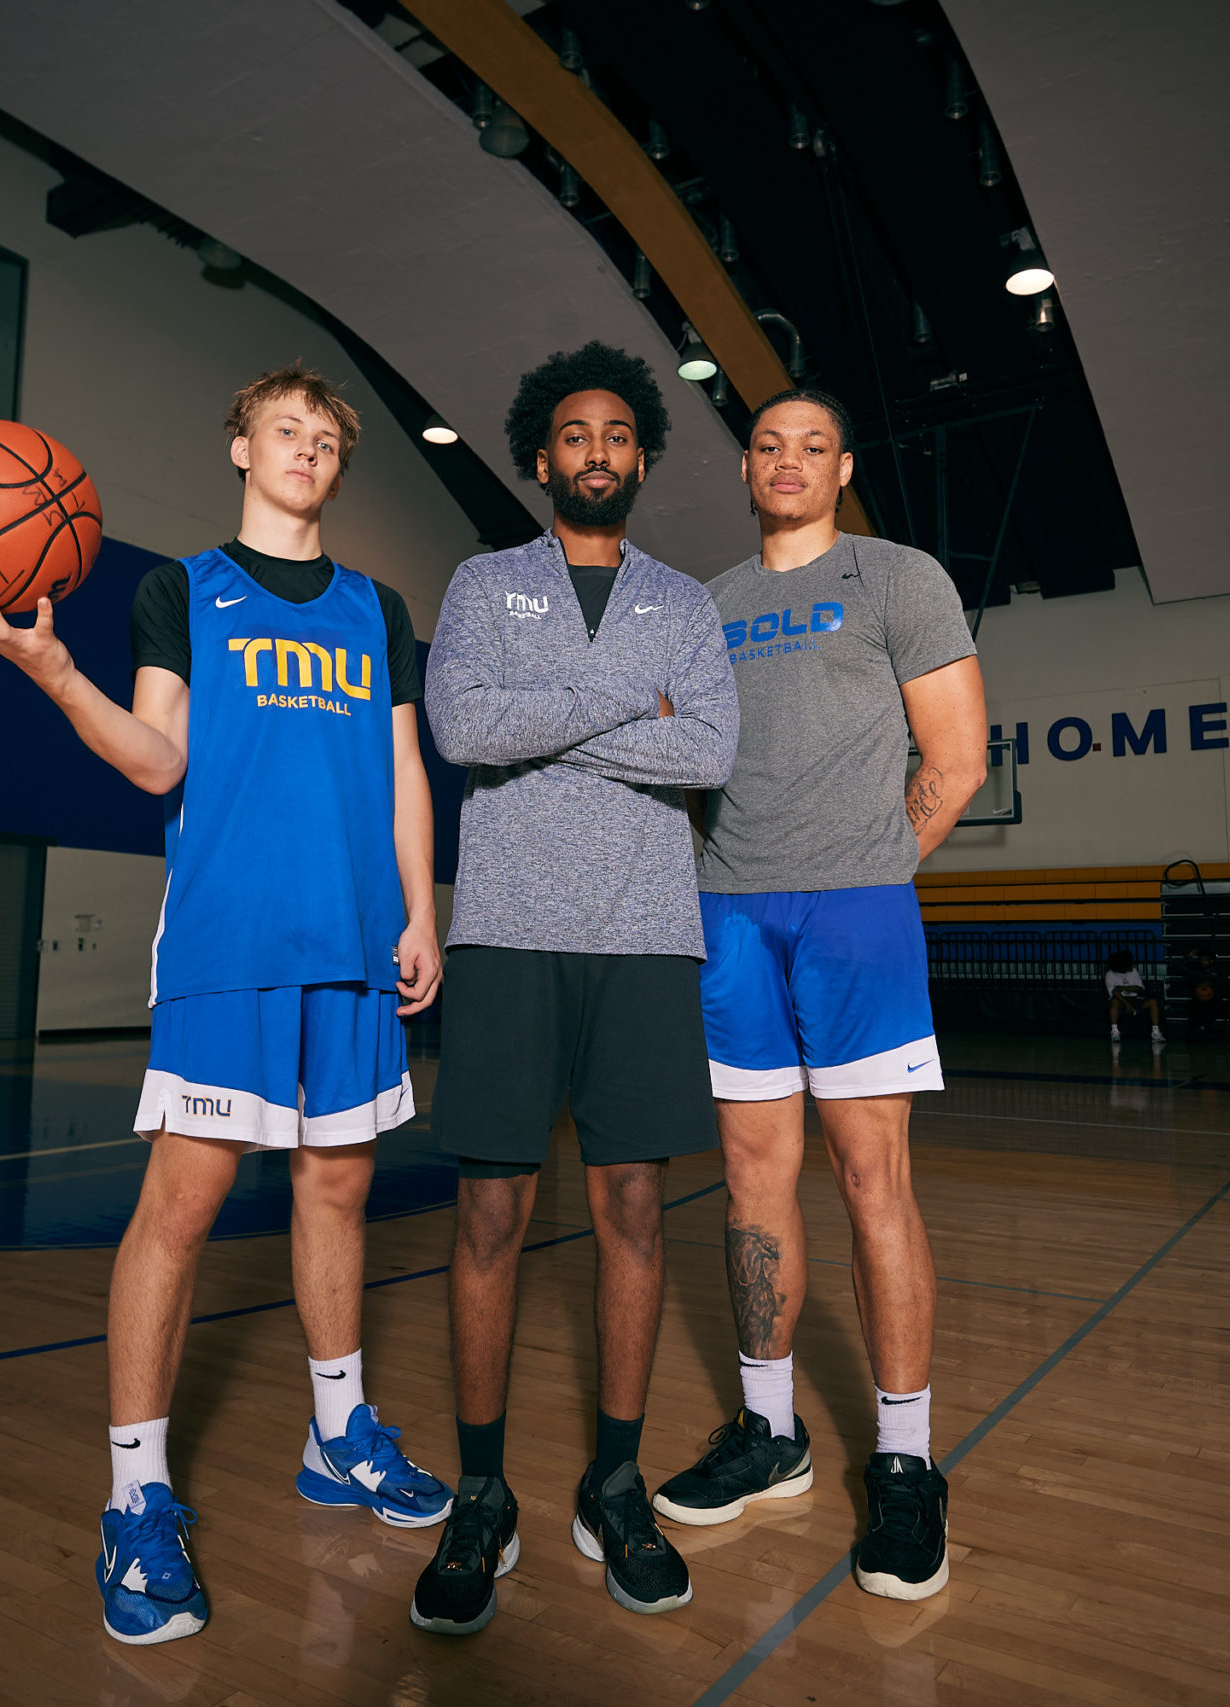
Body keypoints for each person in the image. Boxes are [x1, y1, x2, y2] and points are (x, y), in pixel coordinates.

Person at [0, 364, 451, 1647]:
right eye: (286, 430)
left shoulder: (377, 606)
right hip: (228, 943)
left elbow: (400, 765)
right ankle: (135, 1493)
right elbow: (159, 757)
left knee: (340, 1187)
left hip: (352, 944)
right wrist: (54, 672)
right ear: (240, 447)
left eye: (327, 439)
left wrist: (421, 905)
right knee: (183, 1202)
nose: (307, 451)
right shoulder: (181, 590)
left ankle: (338, 1435)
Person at [410, 341, 737, 1636]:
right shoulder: (486, 583)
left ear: (640, 456)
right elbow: (461, 729)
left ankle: (614, 1477)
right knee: (489, 1217)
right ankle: (481, 1490)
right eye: (573, 435)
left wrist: (549, 709)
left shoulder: (689, 604)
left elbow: (707, 743)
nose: (596, 451)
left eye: (618, 434)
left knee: (636, 1216)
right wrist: (619, 702)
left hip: (648, 935)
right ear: (541, 459)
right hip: (503, 934)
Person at [655, 389, 987, 1604]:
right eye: (766, 446)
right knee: (749, 1182)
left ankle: (904, 1461)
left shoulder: (897, 579)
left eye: (811, 446)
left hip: (856, 913)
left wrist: (864, 874)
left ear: (840, 468)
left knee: (870, 1181)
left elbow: (954, 762)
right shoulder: (706, 608)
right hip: (728, 917)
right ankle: (769, 1430)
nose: (787, 463)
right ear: (746, 471)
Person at [1106, 949, 1162, 1046]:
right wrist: (1128, 1006)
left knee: (1153, 1002)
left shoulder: (1133, 971)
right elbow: (1114, 993)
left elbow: (1139, 988)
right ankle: (1114, 1031)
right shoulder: (1110, 974)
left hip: (1134, 999)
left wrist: (1122, 987)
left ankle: (1155, 1032)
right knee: (1114, 1002)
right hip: (1120, 1000)